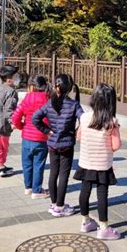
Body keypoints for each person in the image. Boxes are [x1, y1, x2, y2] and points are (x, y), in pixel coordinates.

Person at [74, 83, 122, 240]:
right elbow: (116, 146)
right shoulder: (111, 122)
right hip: (103, 165)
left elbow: (79, 137)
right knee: (102, 195)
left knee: (85, 191)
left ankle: (85, 221)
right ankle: (103, 228)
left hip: (86, 162)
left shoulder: (84, 117)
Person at [33, 74, 83, 217]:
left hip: (53, 143)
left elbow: (35, 117)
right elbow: (83, 119)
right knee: (63, 175)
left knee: (53, 173)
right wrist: (77, 131)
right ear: (69, 89)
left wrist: (47, 130)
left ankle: (54, 204)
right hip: (67, 144)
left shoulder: (49, 103)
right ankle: (60, 206)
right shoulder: (74, 105)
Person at [11, 75, 51, 198]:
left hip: (26, 138)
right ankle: (37, 190)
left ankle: (28, 187)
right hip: (41, 138)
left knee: (27, 164)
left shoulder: (27, 99)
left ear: (31, 87)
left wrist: (21, 126)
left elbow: (15, 116)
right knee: (38, 165)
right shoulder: (48, 99)